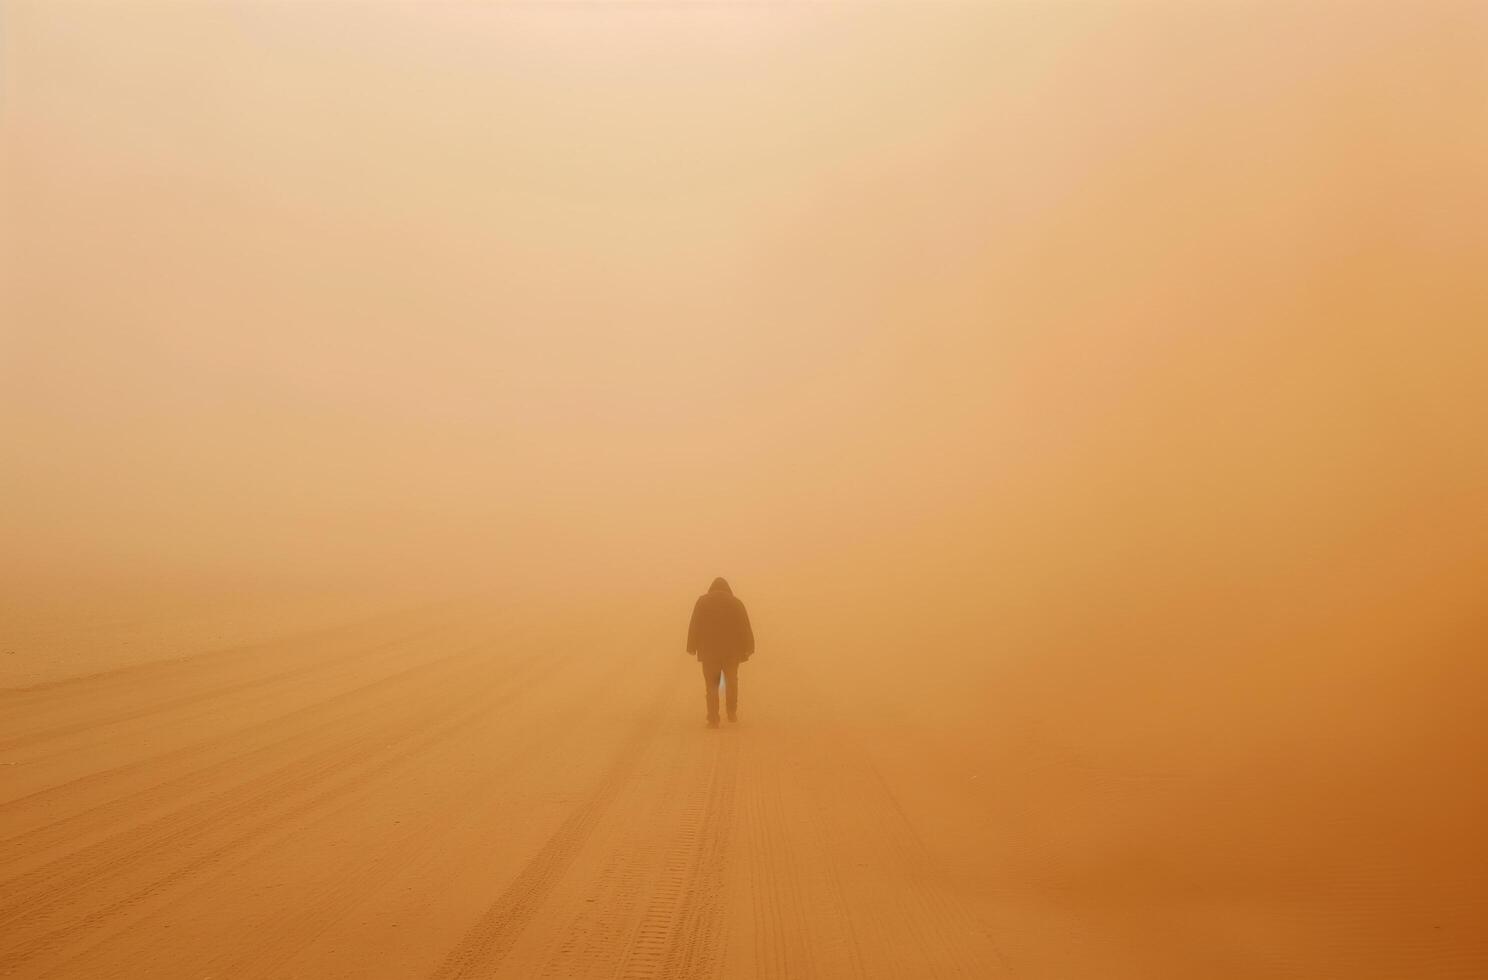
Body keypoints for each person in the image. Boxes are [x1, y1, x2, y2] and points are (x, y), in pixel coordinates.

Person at [686, 577, 754, 728]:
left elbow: (694, 624)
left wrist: (691, 646)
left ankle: (713, 718)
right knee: (731, 681)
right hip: (732, 651)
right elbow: (744, 625)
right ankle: (731, 712)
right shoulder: (736, 603)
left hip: (709, 651)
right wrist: (749, 647)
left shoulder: (702, 602)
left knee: (711, 685)